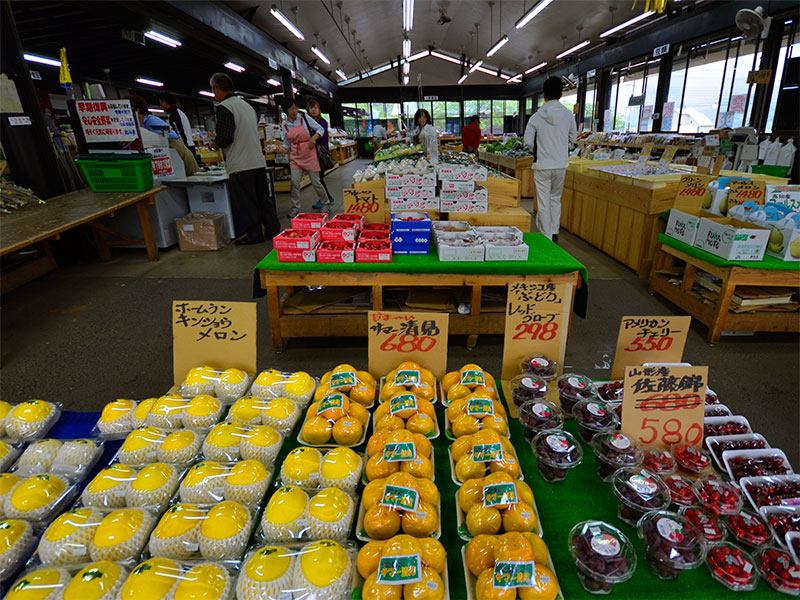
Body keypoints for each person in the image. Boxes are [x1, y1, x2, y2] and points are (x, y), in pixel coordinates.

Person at [210, 72, 280, 244]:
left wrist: (215, 144)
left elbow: (226, 137)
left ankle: (254, 235)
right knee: (264, 198)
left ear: (217, 89)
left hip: (240, 165)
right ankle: (273, 230)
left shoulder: (225, 107)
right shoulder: (246, 105)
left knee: (247, 202)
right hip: (257, 161)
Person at [523, 76, 577, 243]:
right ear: (561, 94)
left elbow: (527, 140)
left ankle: (546, 236)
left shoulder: (536, 117)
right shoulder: (569, 115)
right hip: (561, 164)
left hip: (542, 165)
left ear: (544, 95)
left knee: (543, 201)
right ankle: (554, 232)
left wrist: (539, 149)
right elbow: (573, 138)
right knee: (555, 198)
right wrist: (561, 147)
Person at [280, 97, 333, 218]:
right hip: (295, 156)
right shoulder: (285, 125)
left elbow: (320, 129)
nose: (295, 111)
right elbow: (287, 143)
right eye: (291, 109)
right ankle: (295, 208)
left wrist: (313, 138)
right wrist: (281, 149)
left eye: (296, 108)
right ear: (286, 111)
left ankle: (326, 203)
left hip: (310, 153)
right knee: (294, 182)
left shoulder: (304, 118)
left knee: (316, 182)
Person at [306, 99, 334, 210]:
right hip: (313, 154)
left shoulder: (322, 122)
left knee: (319, 179)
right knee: (319, 179)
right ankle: (327, 197)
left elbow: (322, 139)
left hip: (320, 154)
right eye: (311, 108)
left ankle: (324, 199)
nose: (313, 110)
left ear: (319, 109)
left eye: (315, 108)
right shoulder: (307, 122)